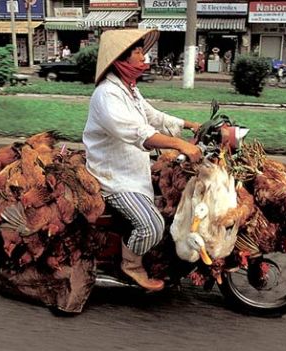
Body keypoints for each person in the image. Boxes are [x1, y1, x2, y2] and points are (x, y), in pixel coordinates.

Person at [83, 29, 202, 291]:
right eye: (137, 51)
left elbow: (153, 117)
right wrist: (179, 143)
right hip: (114, 177)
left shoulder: (129, 90)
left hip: (134, 169)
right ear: (120, 60)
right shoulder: (107, 95)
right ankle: (130, 265)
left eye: (141, 50)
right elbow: (139, 132)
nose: (143, 55)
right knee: (152, 225)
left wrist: (190, 125)